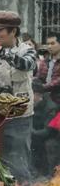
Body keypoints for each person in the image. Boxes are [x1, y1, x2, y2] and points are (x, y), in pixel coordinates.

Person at [0, 11, 37, 182]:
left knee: (17, 160)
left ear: (13, 31)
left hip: (18, 117)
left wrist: (6, 53)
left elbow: (26, 64)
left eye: (0, 31)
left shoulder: (27, 50)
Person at [32, 33, 60, 176]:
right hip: (44, 102)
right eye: (48, 43)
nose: (49, 46)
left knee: (52, 141)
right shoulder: (45, 61)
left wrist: (43, 88)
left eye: (52, 43)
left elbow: (57, 81)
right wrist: (36, 85)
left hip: (57, 103)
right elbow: (39, 77)